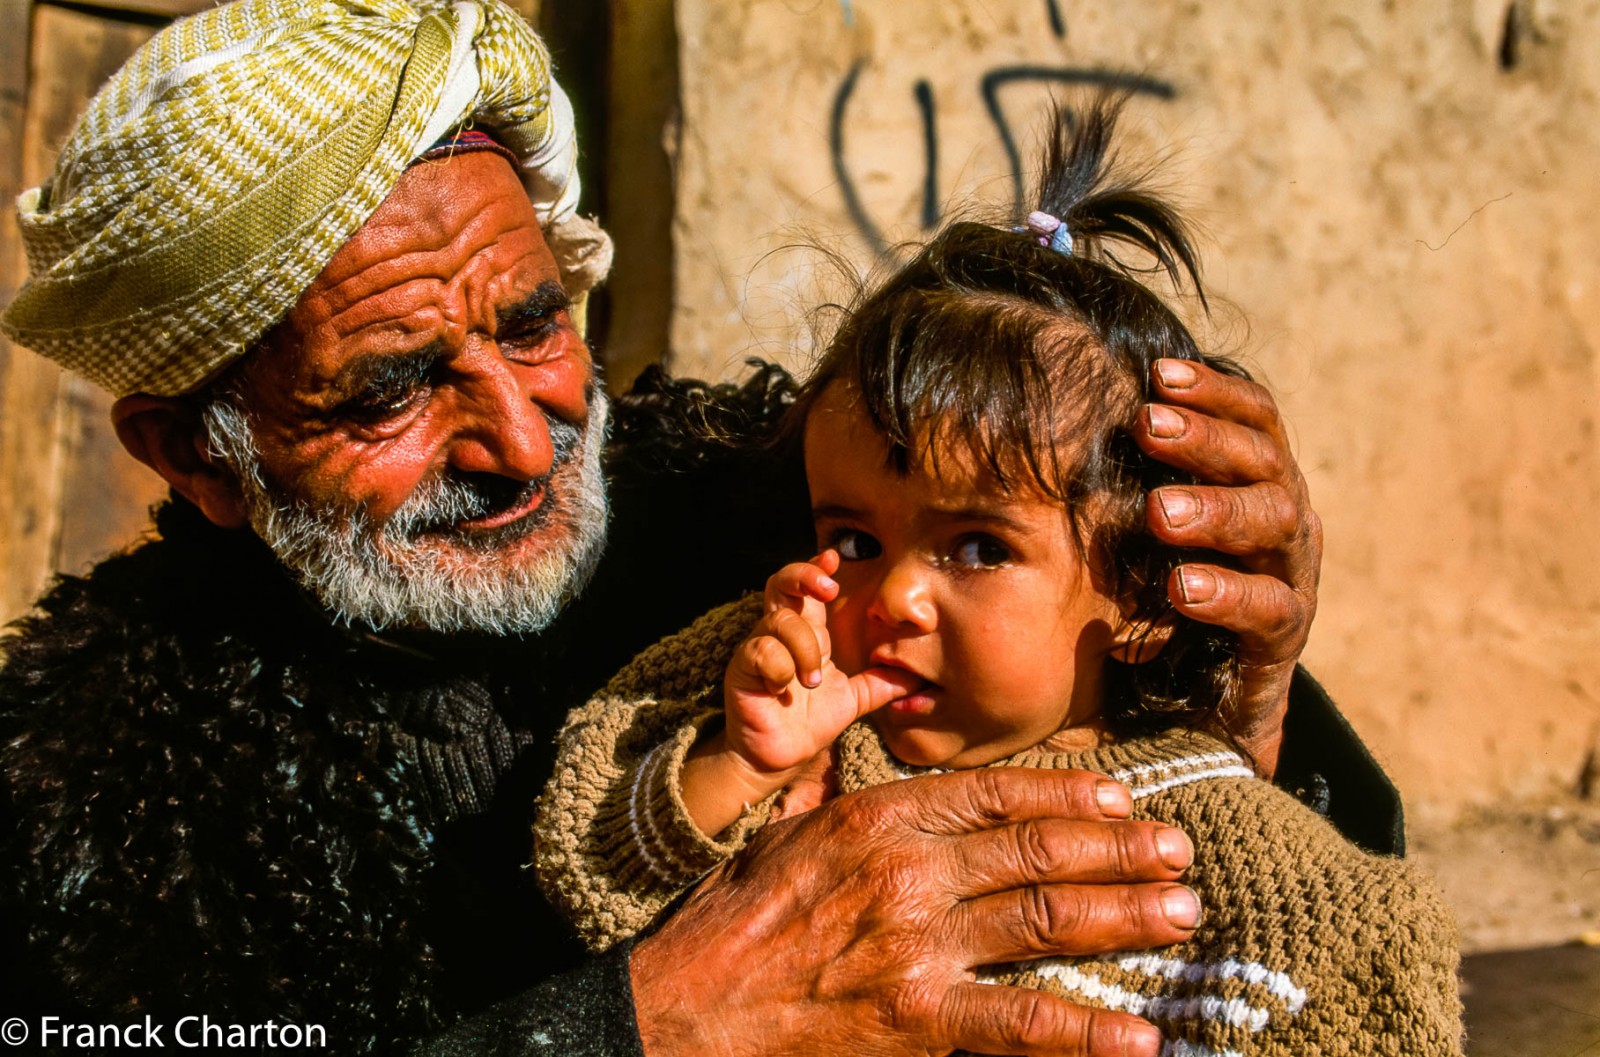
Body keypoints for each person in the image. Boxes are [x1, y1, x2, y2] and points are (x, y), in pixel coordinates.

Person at [0, 2, 1394, 1054]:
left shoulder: (764, 500)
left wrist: (1248, 690)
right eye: (389, 389)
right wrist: (647, 1020)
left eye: (536, 320)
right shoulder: (82, 787)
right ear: (200, 455)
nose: (524, 434)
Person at [534, 101, 1461, 1056]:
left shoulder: (1254, 880)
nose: (891, 595)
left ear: (1144, 596)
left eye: (977, 547)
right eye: (853, 539)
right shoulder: (793, 700)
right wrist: (737, 765)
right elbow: (595, 881)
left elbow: (1367, 980)